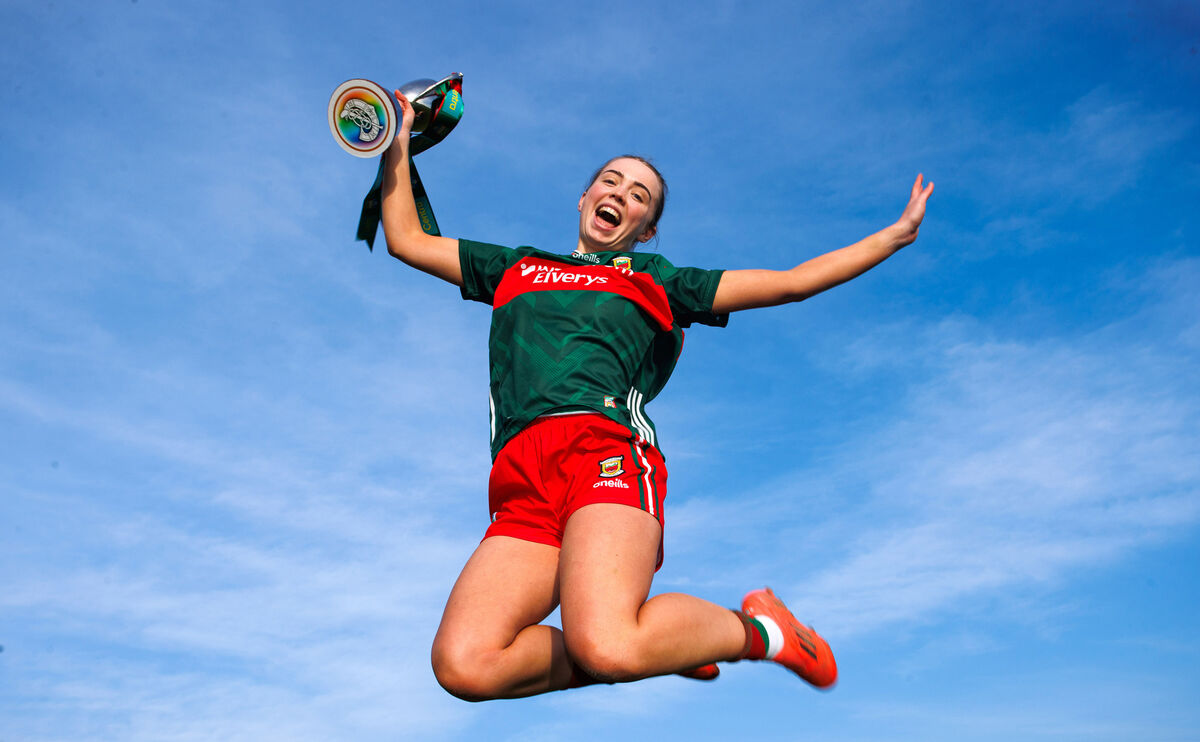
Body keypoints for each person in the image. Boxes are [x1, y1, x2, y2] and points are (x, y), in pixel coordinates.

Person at [380, 90, 933, 701]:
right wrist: (397, 138)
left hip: (604, 453)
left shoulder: (659, 282)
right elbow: (405, 238)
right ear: (585, 197)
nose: (619, 193)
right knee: (466, 665)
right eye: (610, 182)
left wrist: (894, 237)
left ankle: (763, 633)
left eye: (638, 195)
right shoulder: (515, 267)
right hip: (520, 476)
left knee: (610, 646)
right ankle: (662, 646)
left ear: (648, 226)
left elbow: (790, 284)